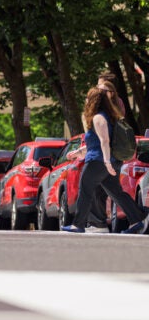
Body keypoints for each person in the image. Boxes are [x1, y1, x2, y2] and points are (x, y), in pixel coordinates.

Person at [62, 86, 148, 234]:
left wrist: (107, 163)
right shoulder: (109, 117)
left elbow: (104, 141)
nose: (86, 100)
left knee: (85, 191)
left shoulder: (98, 117)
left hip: (98, 162)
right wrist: (79, 152)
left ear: (94, 100)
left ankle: (78, 224)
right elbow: (95, 142)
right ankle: (137, 221)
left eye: (88, 97)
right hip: (108, 161)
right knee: (116, 193)